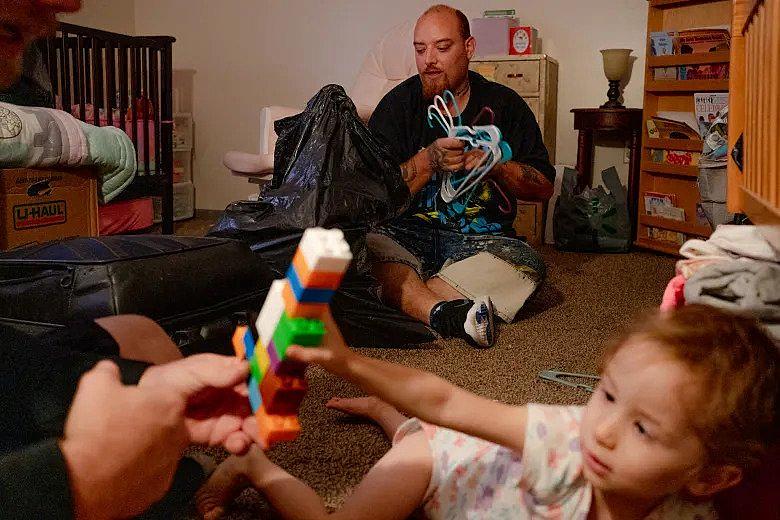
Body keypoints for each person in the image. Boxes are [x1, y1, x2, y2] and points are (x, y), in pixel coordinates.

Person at [196, 305, 779, 519]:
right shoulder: (566, 438)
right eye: (605, 393)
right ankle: (255, 467)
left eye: (644, 428)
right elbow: (449, 401)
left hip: (479, 458)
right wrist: (346, 361)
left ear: (710, 477)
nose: (600, 428)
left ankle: (388, 417)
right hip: (441, 462)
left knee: (417, 427)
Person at [365, 5, 555, 348]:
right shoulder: (396, 107)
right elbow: (375, 196)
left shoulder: (505, 104)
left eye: (442, 47)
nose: (429, 61)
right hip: (405, 235)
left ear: (468, 48)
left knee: (529, 264)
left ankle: (411, 300)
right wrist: (428, 161)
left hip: (477, 244)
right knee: (359, 244)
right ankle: (447, 313)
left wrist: (496, 165)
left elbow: (543, 187)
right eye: (420, 50)